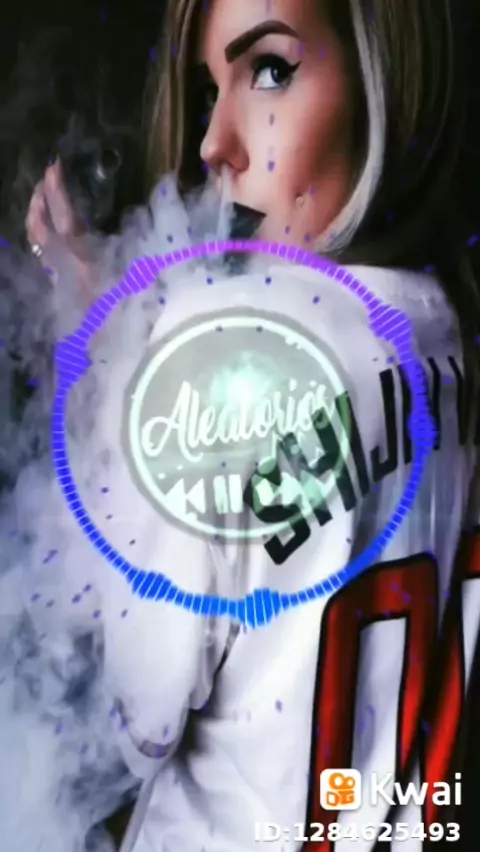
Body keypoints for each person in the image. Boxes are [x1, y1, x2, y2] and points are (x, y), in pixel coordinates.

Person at [22, 0, 480, 850]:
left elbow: (135, 722)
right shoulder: (451, 331)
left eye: (270, 71)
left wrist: (115, 369)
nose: (213, 144)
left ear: (382, 78)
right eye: (210, 91)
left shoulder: (222, 352)